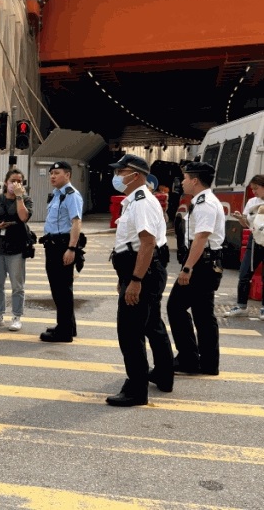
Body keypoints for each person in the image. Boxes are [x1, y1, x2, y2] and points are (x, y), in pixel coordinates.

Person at [106, 154, 173, 406]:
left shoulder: (141, 202)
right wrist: (124, 277)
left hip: (143, 272)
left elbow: (147, 243)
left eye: (120, 172)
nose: (117, 176)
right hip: (142, 270)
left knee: (130, 332)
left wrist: (135, 280)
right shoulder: (135, 200)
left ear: (135, 175)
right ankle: (164, 374)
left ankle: (136, 389)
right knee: (152, 324)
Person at [167, 162, 225, 376]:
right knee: (203, 314)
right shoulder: (203, 200)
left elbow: (201, 237)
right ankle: (207, 363)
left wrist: (187, 268)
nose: (182, 182)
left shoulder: (205, 203)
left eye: (185, 178)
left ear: (195, 180)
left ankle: (189, 358)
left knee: (175, 307)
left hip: (201, 264)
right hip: (206, 262)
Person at [0, 168, 33, 331]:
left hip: (16, 248)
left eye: (19, 181)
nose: (15, 184)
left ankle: (16, 316)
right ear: (5, 183)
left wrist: (19, 197)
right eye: (13, 181)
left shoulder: (25, 199)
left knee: (17, 285)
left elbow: (23, 217)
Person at [39, 161, 84, 343]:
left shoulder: (71, 195)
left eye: (57, 173)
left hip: (62, 245)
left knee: (61, 290)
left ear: (68, 175)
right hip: (53, 245)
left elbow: (76, 222)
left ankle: (64, 332)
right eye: (51, 173)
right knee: (60, 288)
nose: (52, 176)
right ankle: (68, 326)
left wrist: (71, 248)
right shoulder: (57, 195)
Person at [224, 174, 264, 319]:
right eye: (252, 189)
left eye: (256, 188)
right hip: (255, 238)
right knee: (244, 272)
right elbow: (246, 224)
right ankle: (241, 306)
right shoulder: (252, 202)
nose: (254, 192)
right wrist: (241, 218)